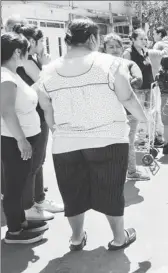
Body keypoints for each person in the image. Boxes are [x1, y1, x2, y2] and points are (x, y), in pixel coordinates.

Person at [35, 18, 147, 250]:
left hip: (66, 143)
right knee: (111, 190)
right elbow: (127, 97)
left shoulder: (48, 70)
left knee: (72, 192)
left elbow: (47, 107)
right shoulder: (111, 63)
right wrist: (145, 120)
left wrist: (58, 131)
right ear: (93, 39)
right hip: (108, 139)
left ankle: (76, 238)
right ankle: (118, 238)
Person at [1, 31, 50, 244]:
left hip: (21, 139)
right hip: (14, 141)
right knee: (14, 187)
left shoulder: (12, 74)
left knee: (19, 183)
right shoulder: (6, 77)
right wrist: (22, 140)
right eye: (26, 51)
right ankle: (14, 231)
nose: (28, 55)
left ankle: (19, 222)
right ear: (17, 52)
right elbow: (7, 111)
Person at [13, 24, 65, 221]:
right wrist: (46, 65)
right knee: (33, 162)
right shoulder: (27, 61)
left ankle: (38, 200)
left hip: (37, 114)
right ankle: (30, 206)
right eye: (42, 41)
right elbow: (45, 83)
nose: (44, 45)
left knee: (38, 161)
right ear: (32, 42)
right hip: (32, 115)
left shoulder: (31, 59)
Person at [103, 33, 150, 181]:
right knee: (109, 143)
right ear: (104, 49)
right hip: (107, 111)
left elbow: (138, 78)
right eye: (111, 46)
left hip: (128, 110)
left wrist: (132, 79)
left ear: (122, 48)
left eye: (118, 46)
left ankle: (131, 171)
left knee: (129, 141)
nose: (115, 49)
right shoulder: (99, 66)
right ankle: (113, 172)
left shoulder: (127, 63)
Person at [123, 28, 165, 147]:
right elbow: (125, 70)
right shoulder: (128, 53)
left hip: (149, 87)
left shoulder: (145, 51)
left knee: (152, 114)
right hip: (138, 89)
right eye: (141, 39)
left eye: (145, 39)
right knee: (140, 115)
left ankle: (153, 138)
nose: (144, 41)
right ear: (133, 40)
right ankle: (141, 140)